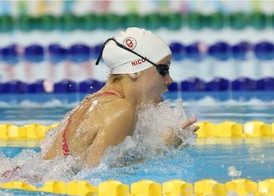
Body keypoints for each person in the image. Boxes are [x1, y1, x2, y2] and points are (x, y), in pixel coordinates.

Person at [41, 27, 199, 168]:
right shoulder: (120, 110)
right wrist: (162, 150)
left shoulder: (103, 102)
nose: (169, 80)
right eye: (163, 69)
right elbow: (96, 177)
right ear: (135, 71)